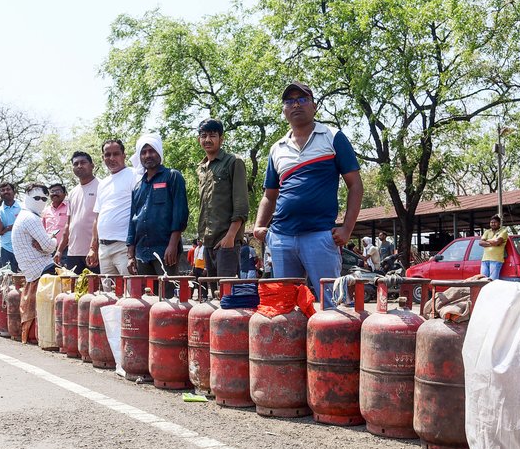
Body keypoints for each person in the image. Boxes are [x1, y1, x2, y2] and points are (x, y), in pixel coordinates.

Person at [253, 82, 363, 307]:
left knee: (333, 307)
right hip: (282, 238)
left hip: (320, 236)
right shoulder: (277, 148)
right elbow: (269, 195)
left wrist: (347, 228)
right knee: (285, 308)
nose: (296, 105)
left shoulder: (333, 137)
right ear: (284, 110)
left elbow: (355, 185)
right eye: (289, 101)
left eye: (302, 100)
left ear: (314, 106)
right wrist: (259, 225)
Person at [126, 133, 189, 275]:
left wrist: (172, 245)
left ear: (159, 152)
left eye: (152, 150)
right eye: (143, 152)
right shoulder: (137, 186)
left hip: (166, 251)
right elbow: (132, 221)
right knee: (145, 296)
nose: (148, 155)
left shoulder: (172, 176)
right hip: (141, 254)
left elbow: (180, 214)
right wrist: (130, 255)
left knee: (167, 295)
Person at [196, 118, 249, 278]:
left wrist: (231, 236)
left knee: (226, 293)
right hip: (207, 241)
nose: (207, 140)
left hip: (227, 239)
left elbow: (241, 204)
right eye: (203, 136)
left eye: (212, 135)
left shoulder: (234, 161)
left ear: (221, 138)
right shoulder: (202, 168)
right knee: (213, 294)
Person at [88, 140, 138, 275]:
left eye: (116, 154)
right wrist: (93, 247)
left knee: (130, 293)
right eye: (107, 155)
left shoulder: (134, 175)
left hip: (124, 246)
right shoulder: (102, 184)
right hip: (103, 249)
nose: (111, 158)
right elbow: (97, 217)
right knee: (107, 294)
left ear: (124, 155)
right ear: (103, 157)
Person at [55, 152, 100, 274]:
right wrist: (59, 250)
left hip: (94, 253)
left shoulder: (101, 186)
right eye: (76, 164)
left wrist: (94, 248)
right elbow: (68, 225)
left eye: (83, 162)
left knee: (95, 291)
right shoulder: (73, 192)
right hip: (73, 252)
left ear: (92, 165)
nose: (79, 166)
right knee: (73, 291)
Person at [12, 183, 58, 283]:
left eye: (44, 199)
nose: (40, 201)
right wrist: (53, 239)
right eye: (36, 198)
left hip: (33, 270)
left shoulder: (26, 215)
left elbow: (45, 246)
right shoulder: (31, 218)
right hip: (41, 268)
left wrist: (45, 245)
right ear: (27, 197)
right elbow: (49, 246)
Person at [0, 181, 21, 272]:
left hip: (23, 248)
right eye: (2, 190)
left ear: (14, 191)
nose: (6, 192)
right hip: (6, 248)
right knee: (8, 278)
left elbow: (24, 226)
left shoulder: (22, 207)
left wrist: (8, 228)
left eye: (8, 189)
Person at [479, 215, 508, 280]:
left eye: (495, 222)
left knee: (492, 280)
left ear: (499, 223)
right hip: (485, 259)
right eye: (491, 222)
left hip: (496, 259)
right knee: (482, 280)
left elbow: (497, 242)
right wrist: (493, 243)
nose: (493, 224)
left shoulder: (503, 231)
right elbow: (480, 243)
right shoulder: (487, 231)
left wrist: (486, 241)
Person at [41, 183, 69, 247]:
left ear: (65, 194)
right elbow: (42, 229)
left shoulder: (70, 208)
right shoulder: (46, 210)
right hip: (49, 247)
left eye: (58, 191)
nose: (54, 193)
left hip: (66, 247)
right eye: (52, 192)